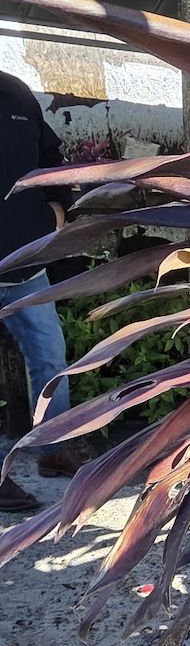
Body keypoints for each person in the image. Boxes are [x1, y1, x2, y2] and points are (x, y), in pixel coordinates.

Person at [0, 70, 83, 511]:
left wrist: (58, 207)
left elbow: (49, 157)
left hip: (26, 263)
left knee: (50, 358)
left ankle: (53, 449)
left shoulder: (15, 91)